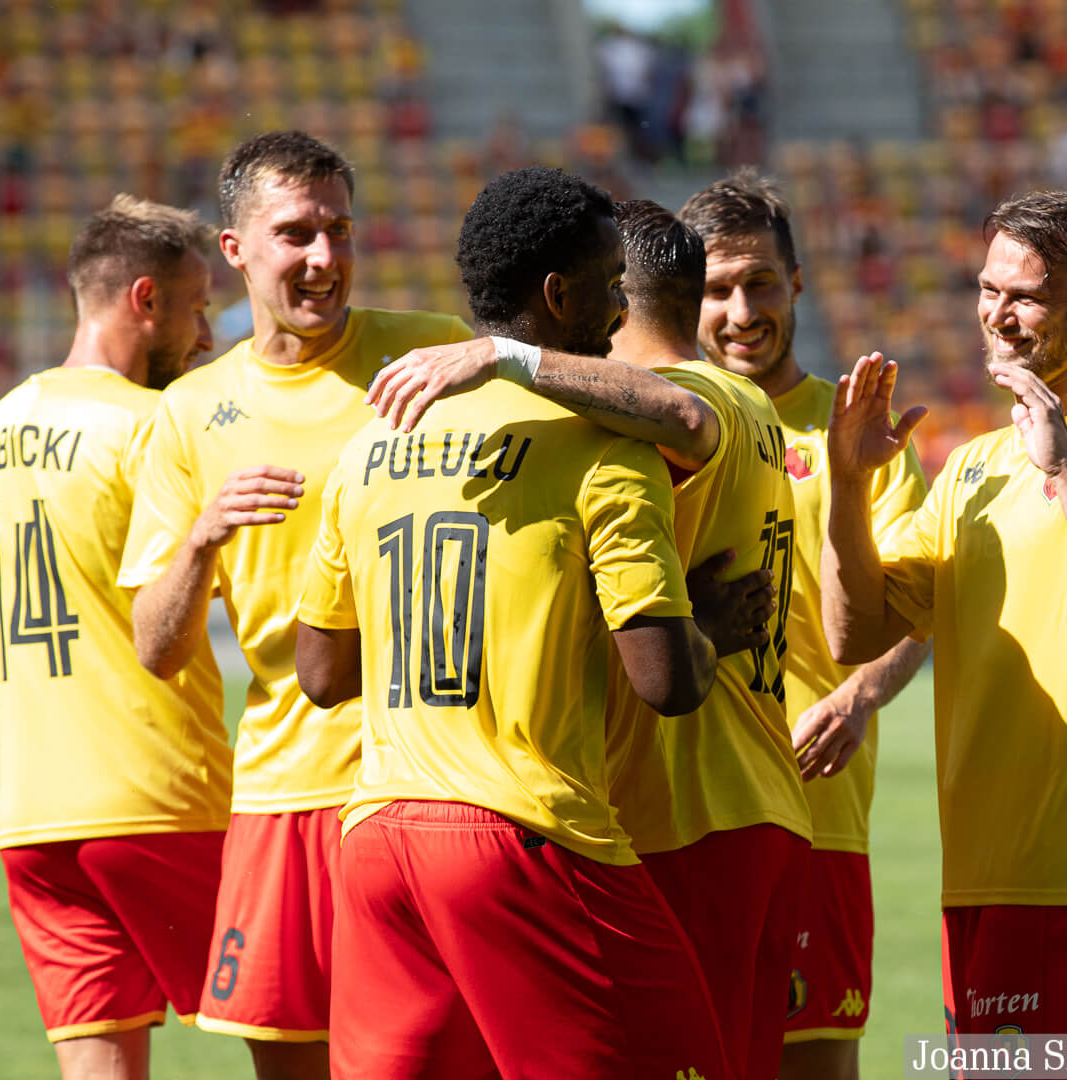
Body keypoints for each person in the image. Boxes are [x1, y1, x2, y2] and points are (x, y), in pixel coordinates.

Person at [297, 166, 748, 1080]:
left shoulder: (371, 447)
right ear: (557, 293)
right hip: (522, 837)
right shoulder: (606, 448)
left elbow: (322, 674)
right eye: (608, 281)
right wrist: (707, 633)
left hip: (378, 841)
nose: (623, 306)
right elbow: (665, 684)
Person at [117, 131, 470, 1078]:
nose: (325, 260)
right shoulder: (191, 413)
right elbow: (156, 646)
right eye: (296, 234)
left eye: (340, 231)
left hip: (433, 786)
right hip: (286, 797)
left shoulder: (435, 355)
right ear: (234, 251)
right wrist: (201, 538)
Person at [820, 191, 1067, 1038]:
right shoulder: (973, 468)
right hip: (978, 876)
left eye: (1023, 295)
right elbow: (856, 632)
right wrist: (847, 488)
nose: (997, 313)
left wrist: (1064, 469)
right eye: (987, 289)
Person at [0, 195, 233, 1080]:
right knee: (315, 1025)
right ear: (144, 299)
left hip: (33, 817)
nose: (207, 340)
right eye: (197, 311)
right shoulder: (151, 427)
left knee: (100, 1064)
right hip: (159, 797)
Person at [681, 170, 929, 1078]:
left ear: (798, 284)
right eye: (715, 290)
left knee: (815, 1064)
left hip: (814, 811)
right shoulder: (662, 424)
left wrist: (861, 696)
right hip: (679, 811)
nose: (742, 310)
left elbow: (914, 610)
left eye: (761, 284)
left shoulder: (853, 433)